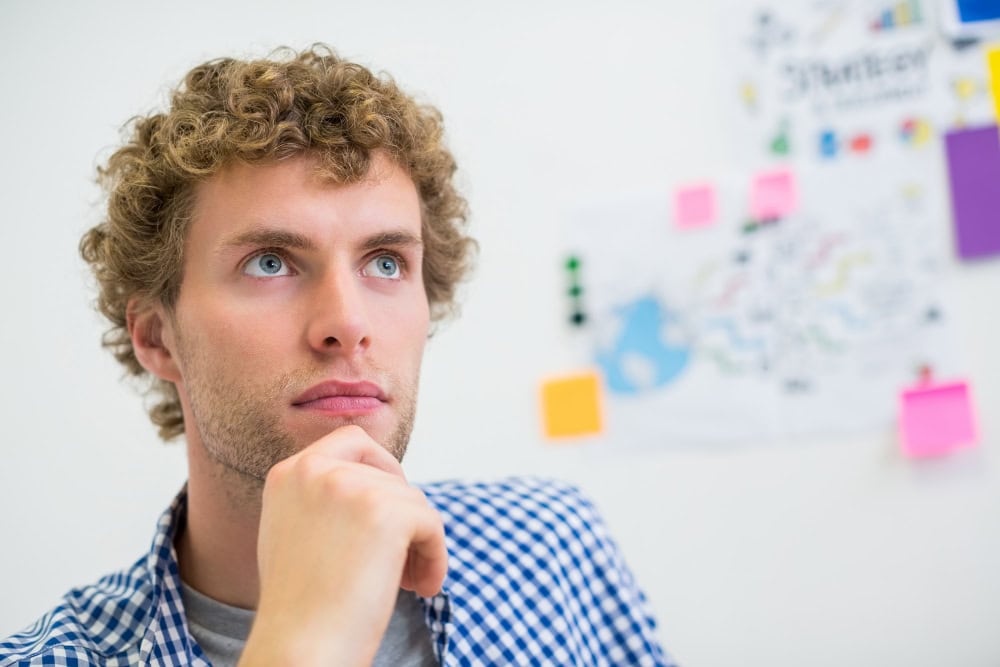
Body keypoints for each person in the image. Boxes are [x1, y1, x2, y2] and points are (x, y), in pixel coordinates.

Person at [0, 45, 673, 667]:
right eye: (270, 262)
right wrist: (303, 641)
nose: (347, 323)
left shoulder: (555, 549)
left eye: (385, 261)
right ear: (155, 336)